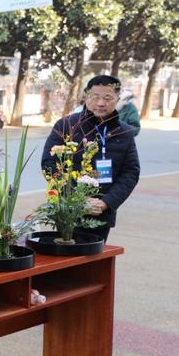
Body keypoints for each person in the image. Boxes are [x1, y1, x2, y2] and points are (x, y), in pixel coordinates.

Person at [41, 75, 140, 242]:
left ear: (117, 99)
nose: (100, 103)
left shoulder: (125, 132)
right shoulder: (66, 125)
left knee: (93, 262)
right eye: (95, 97)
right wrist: (77, 199)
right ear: (86, 97)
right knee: (65, 261)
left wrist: (106, 202)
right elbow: (49, 164)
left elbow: (130, 172)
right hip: (67, 210)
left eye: (107, 97)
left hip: (101, 213)